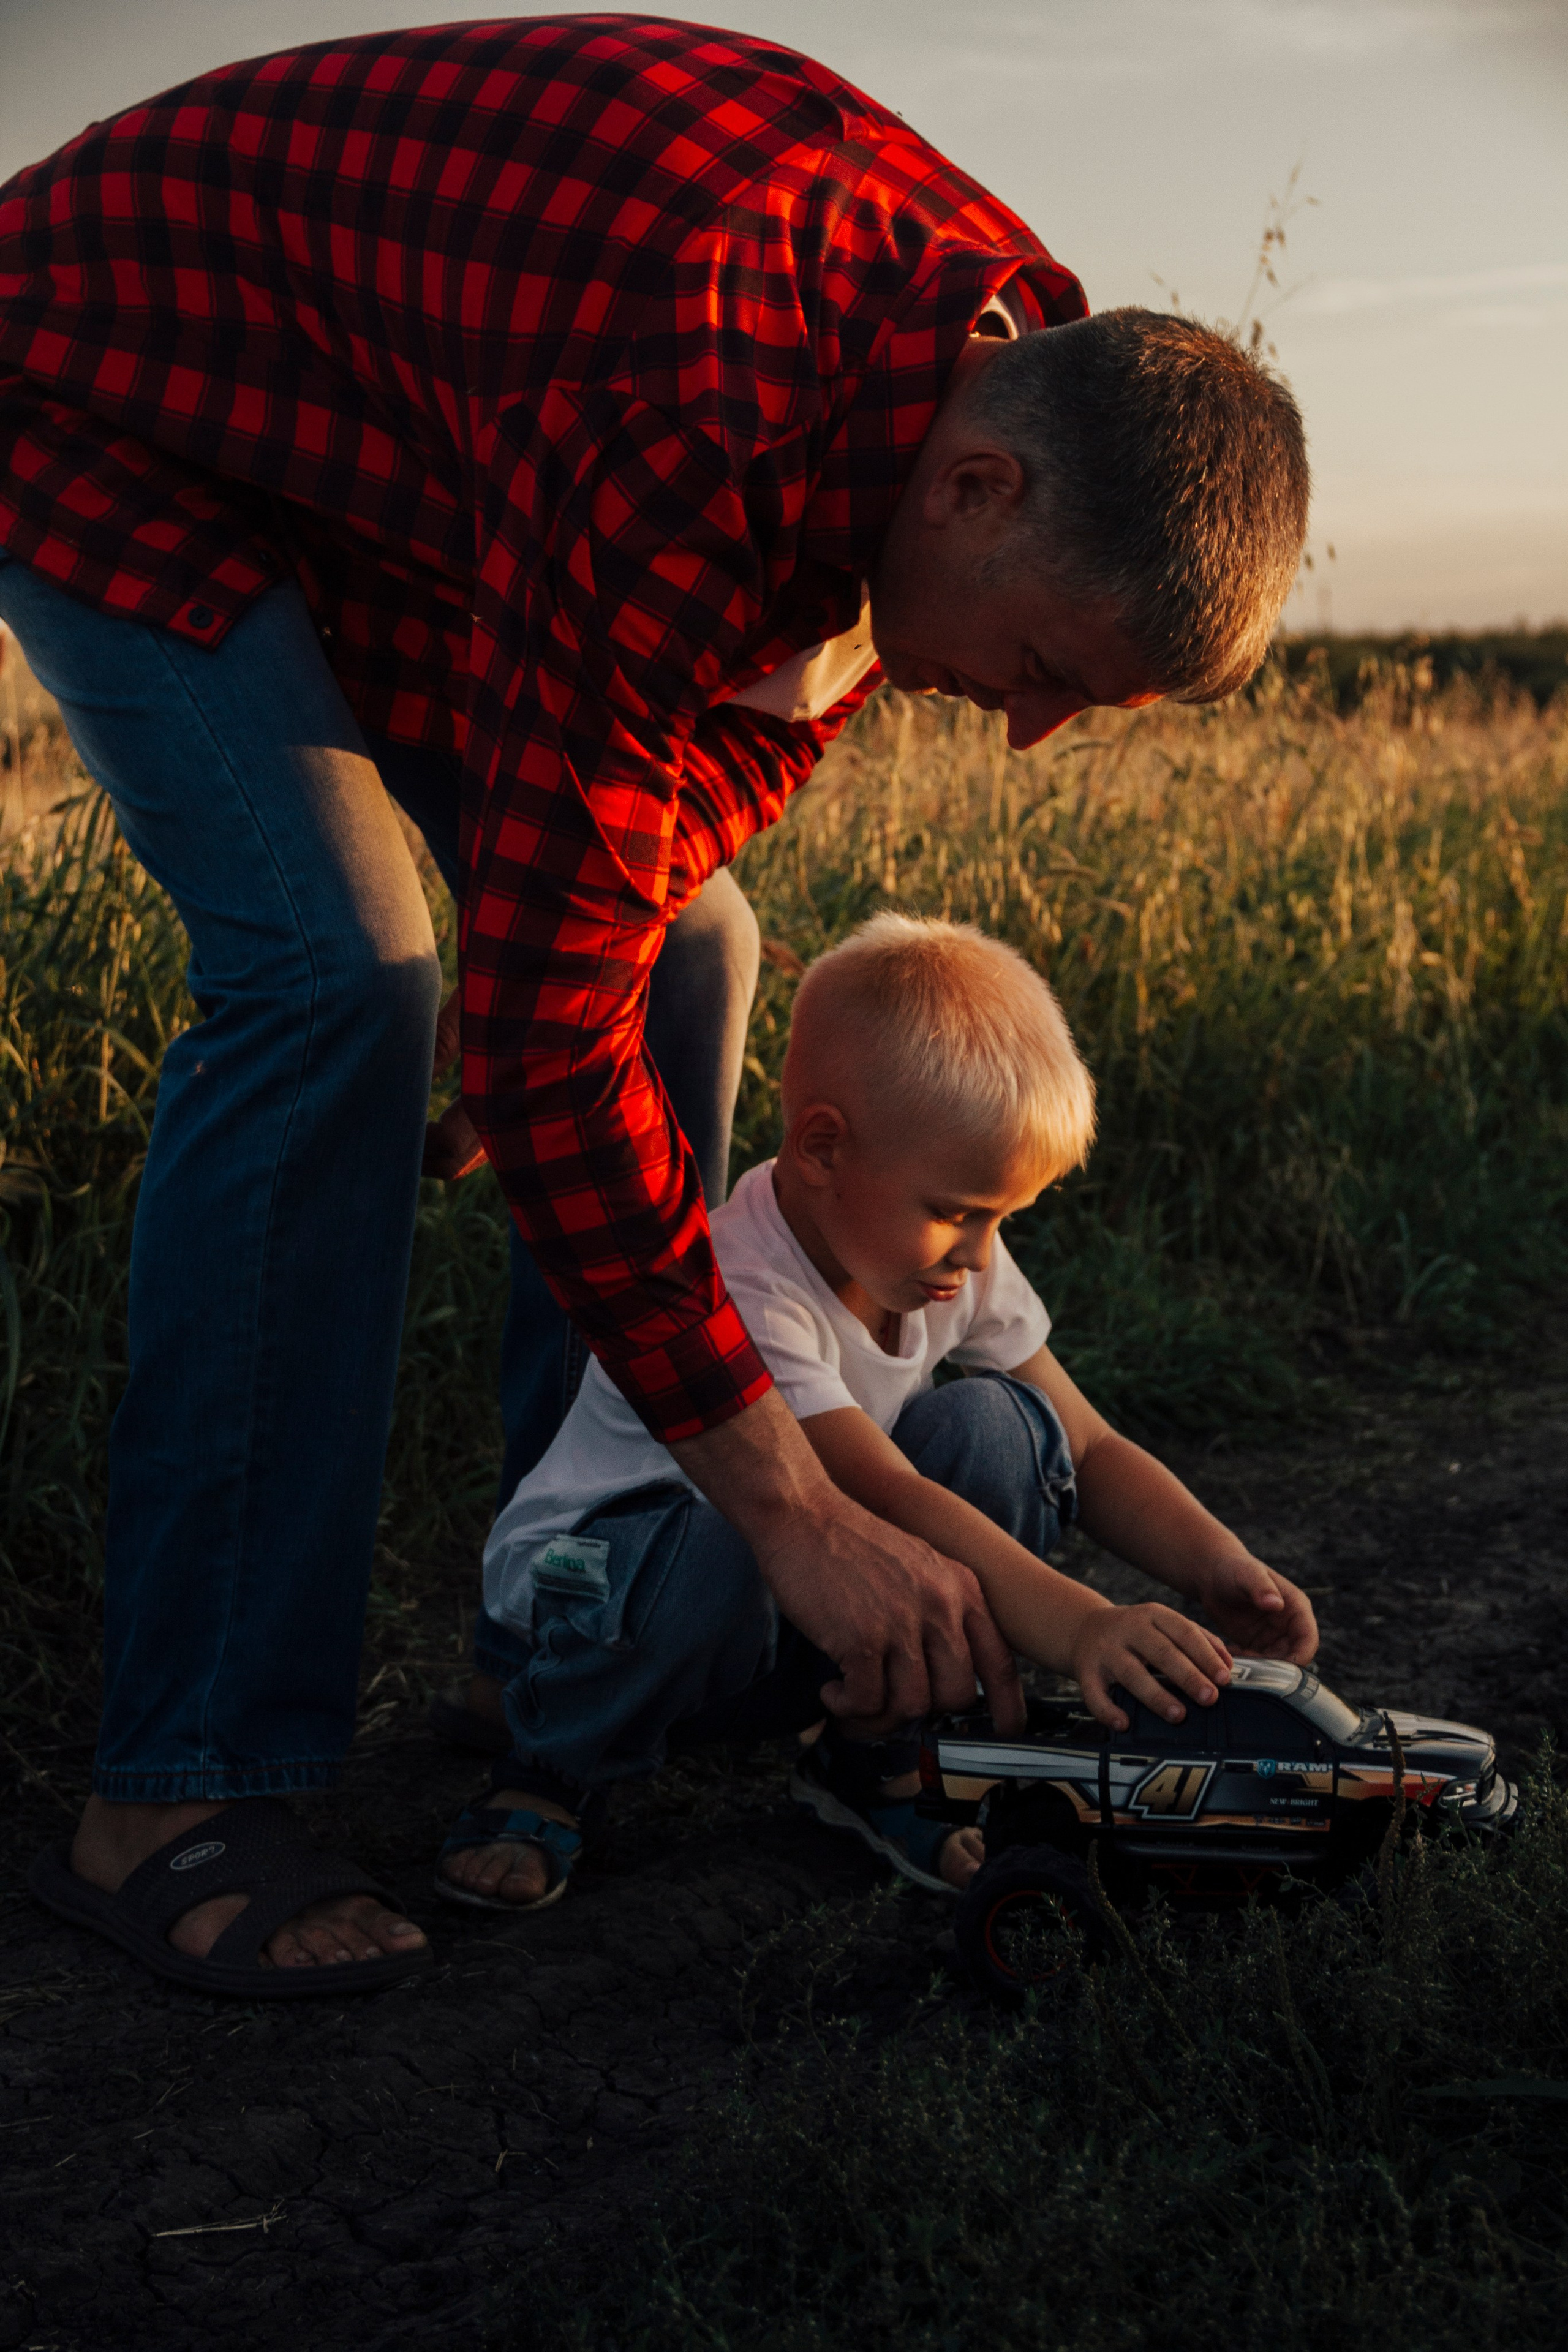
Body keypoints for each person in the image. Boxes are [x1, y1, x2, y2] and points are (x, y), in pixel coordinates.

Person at [0, 18, 1308, 1994]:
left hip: (416, 455)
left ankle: (567, 1641)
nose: (1030, 734)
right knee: (341, 986)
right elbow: (546, 998)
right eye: (1042, 664)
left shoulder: (995, 357)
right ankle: (177, 1782)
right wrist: (787, 1492)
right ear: (975, 485)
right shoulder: (693, 408)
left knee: (688, 948)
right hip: (120, 385)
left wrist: (566, 1034)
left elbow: (721, 760)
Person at [439, 915, 1319, 1909]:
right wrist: (1086, 1629)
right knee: (719, 1548)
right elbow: (887, 1499)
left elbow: (1088, 1440)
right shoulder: (740, 1282)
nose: (980, 1255)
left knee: (1002, 1429)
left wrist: (1215, 1564)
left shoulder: (941, 1258)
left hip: (780, 1614)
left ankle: (872, 1747)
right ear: (823, 1148)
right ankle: (552, 1762)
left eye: (1001, 1220)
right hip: (598, 1601)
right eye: (958, 1212)